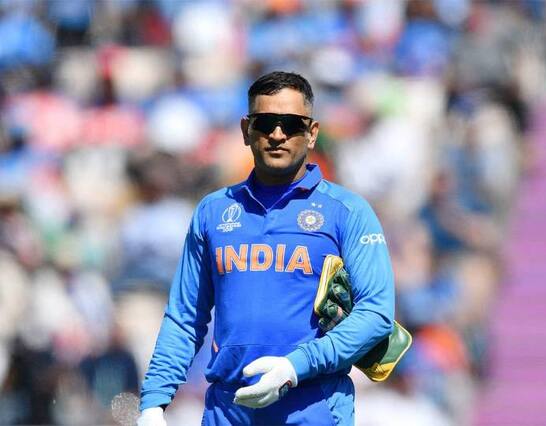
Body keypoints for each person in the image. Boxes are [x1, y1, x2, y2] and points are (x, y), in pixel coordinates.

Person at [137, 71, 395, 425]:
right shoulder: (213, 212)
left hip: (313, 406)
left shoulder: (346, 211)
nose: (277, 134)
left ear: (312, 133)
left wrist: (294, 367)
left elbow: (376, 314)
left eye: (291, 124)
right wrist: (154, 402)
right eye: (265, 123)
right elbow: (184, 318)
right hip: (227, 410)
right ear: (246, 130)